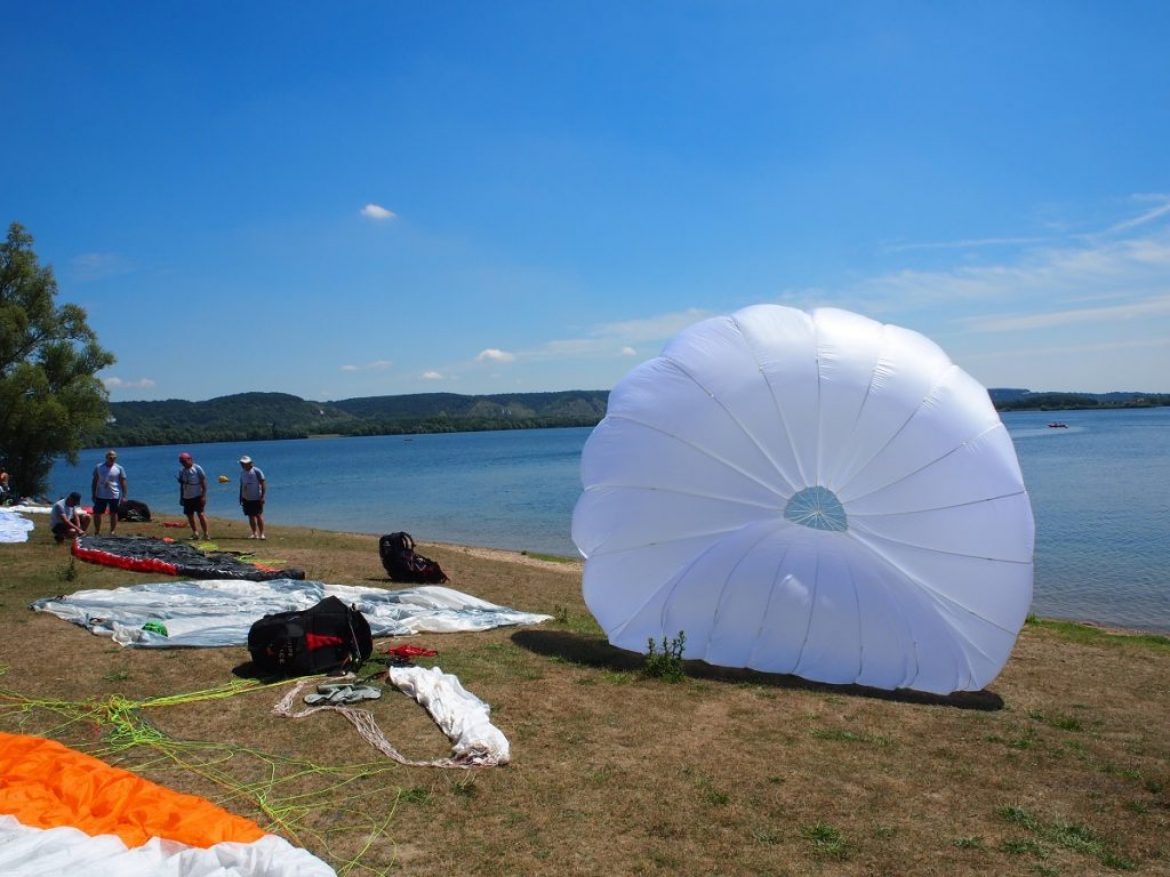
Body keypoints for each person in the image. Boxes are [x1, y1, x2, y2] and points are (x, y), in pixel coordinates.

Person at [90, 449, 128, 535]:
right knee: (97, 513)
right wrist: (93, 493)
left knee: (113, 513)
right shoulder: (99, 467)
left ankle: (112, 531)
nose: (112, 459)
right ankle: (97, 531)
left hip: (114, 495)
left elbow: (123, 482)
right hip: (101, 495)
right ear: (106, 457)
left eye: (114, 457)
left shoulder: (119, 468)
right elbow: (95, 481)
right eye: (110, 457)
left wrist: (124, 495)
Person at [176, 451, 209, 540]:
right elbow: (182, 485)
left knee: (201, 514)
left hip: (197, 495)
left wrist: (203, 496)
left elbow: (204, 483)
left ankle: (206, 533)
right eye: (181, 462)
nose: (183, 463)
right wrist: (181, 497)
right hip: (187, 496)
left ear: (190, 459)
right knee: (189, 515)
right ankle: (195, 533)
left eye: (184, 461)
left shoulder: (197, 468)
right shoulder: (181, 471)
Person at [237, 455, 267, 539]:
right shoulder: (242, 473)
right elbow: (242, 485)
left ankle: (262, 534)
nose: (242, 465)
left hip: (257, 497)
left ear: (250, 463)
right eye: (242, 463)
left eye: (244, 463)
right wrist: (240, 497)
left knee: (258, 515)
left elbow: (263, 484)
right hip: (246, 498)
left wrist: (262, 496)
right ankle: (254, 533)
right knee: (250, 516)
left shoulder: (257, 471)